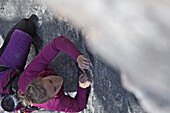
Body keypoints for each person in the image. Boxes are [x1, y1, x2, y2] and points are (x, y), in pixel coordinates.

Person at [0, 15, 91, 112]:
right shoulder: (54, 103)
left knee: (26, 25)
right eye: (55, 88)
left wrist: (78, 56)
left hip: (5, 74)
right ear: (51, 98)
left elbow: (57, 43)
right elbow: (77, 107)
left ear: (39, 77)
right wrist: (82, 87)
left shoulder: (30, 74)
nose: (58, 81)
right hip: (15, 83)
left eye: (50, 81)